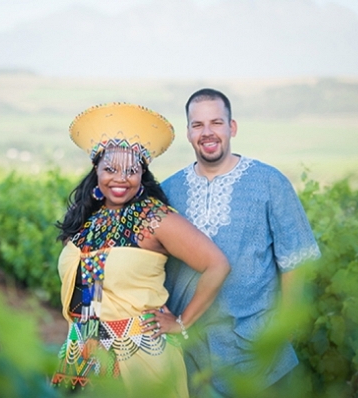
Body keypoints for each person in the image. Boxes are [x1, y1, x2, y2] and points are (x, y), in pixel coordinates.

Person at [51, 103, 230, 397]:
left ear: (142, 174)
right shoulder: (88, 219)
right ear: (96, 169)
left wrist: (182, 322)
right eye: (110, 168)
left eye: (131, 170)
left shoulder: (155, 218)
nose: (120, 178)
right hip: (82, 355)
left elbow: (217, 264)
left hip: (138, 360)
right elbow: (92, 290)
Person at [162, 88, 321, 397]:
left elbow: (297, 260)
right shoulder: (169, 191)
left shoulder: (269, 182)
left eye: (216, 123)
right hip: (190, 355)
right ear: (188, 133)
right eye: (198, 125)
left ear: (231, 127)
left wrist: (282, 330)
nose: (207, 132)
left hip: (257, 355)